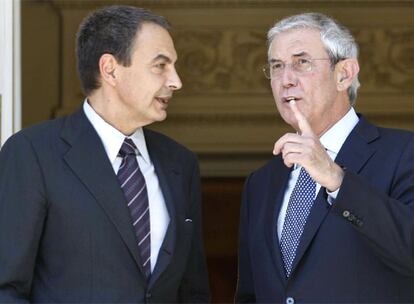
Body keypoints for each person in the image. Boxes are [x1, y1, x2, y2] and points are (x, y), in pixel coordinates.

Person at [0, 5, 210, 303]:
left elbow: (193, 291)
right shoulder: (32, 154)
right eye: (160, 65)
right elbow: (5, 288)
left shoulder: (180, 163)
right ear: (110, 69)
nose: (176, 81)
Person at [236, 12, 414, 303]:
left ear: (344, 74)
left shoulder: (404, 153)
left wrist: (337, 180)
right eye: (276, 66)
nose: (286, 80)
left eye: (301, 62)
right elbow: (251, 293)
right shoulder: (261, 183)